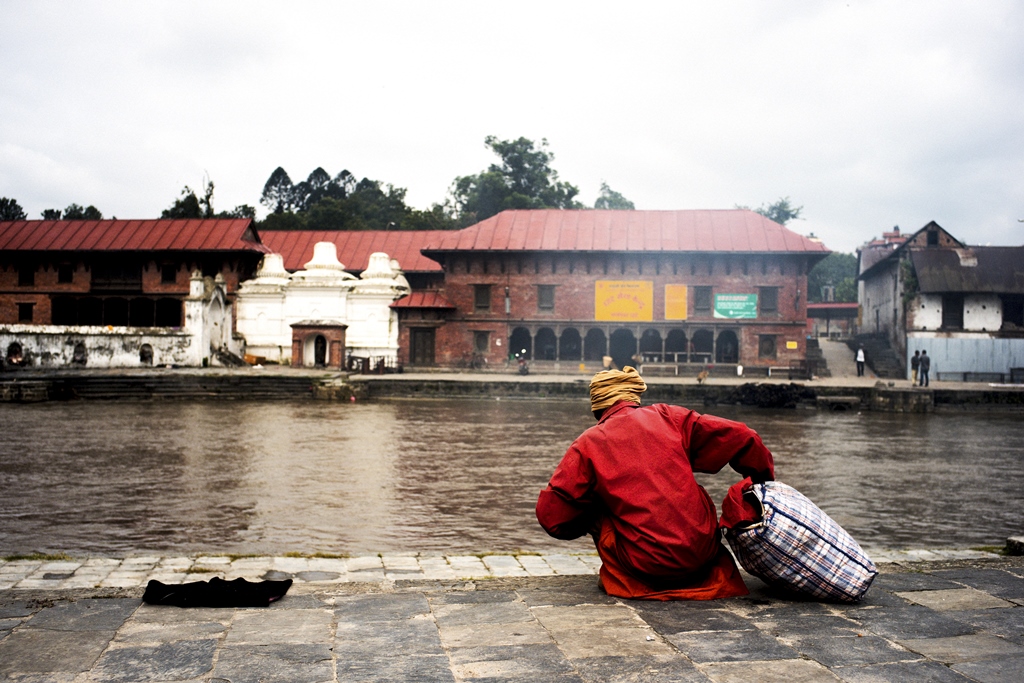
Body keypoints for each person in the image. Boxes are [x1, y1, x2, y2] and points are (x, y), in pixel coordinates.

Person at [536, 367, 775, 600]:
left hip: (646, 566)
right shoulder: (669, 417)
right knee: (690, 489)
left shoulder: (588, 443)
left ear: (597, 407)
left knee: (598, 505)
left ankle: (622, 574)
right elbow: (746, 437)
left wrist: (593, 507)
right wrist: (765, 492)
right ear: (634, 397)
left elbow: (552, 518)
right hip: (703, 554)